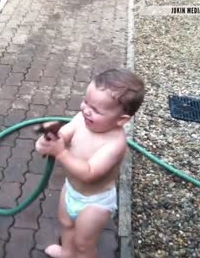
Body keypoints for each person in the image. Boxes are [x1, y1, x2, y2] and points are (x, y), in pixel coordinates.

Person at [35, 68, 145, 258]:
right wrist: (47, 142)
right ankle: (67, 253)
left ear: (121, 120)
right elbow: (65, 135)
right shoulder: (81, 119)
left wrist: (60, 152)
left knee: (84, 244)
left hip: (95, 203)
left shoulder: (115, 144)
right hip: (71, 190)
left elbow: (90, 172)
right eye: (86, 102)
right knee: (66, 225)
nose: (86, 109)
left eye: (95, 110)